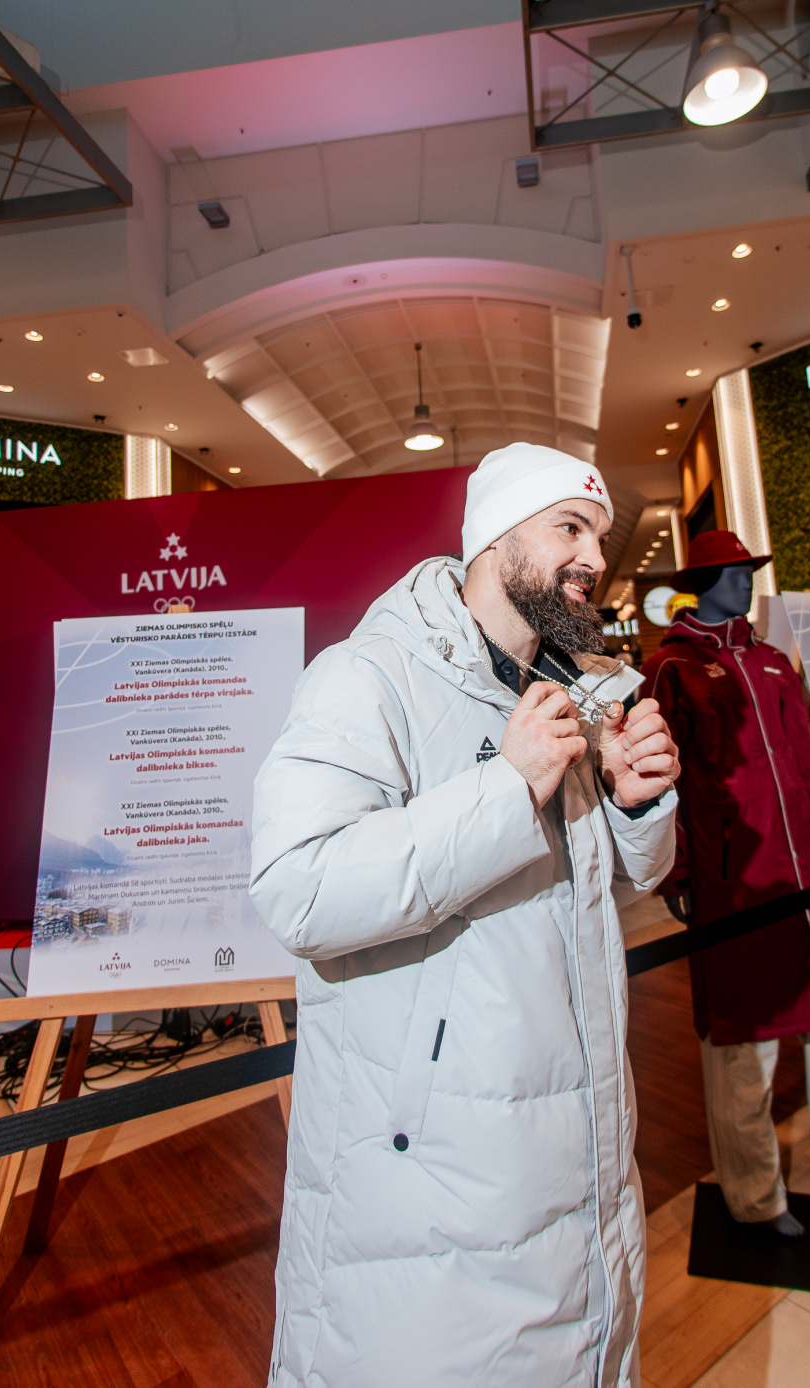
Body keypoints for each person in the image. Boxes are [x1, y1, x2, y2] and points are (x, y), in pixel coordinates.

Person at [250, 442, 680, 1388]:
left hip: (580, 1159)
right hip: (434, 1183)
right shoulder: (366, 678)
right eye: (570, 527)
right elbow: (300, 888)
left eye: (599, 535)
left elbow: (618, 887)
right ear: (494, 539)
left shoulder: (581, 689)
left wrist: (638, 803)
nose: (594, 557)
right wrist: (507, 790)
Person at [642, 530, 810, 1238]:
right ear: (702, 582)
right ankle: (755, 1199)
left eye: (748, 572)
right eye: (729, 574)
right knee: (742, 1042)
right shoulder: (670, 668)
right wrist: (682, 872)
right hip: (740, 883)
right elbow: (658, 784)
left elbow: (806, 764)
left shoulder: (773, 664)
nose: (744, 585)